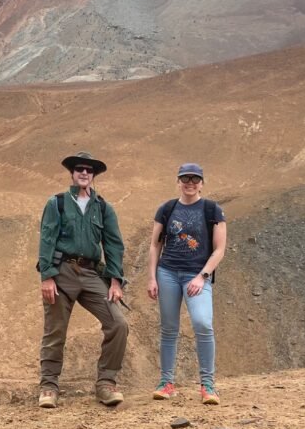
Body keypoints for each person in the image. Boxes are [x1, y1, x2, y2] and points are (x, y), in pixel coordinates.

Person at [37, 151, 128, 408]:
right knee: (55, 331)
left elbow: (113, 245)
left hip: (90, 273)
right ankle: (49, 387)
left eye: (89, 170)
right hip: (62, 271)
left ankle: (106, 384)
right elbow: (46, 239)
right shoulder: (57, 203)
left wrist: (115, 280)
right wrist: (47, 277)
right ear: (72, 173)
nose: (84, 173)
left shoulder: (103, 208)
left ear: (94, 175)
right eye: (79, 169)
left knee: (118, 324)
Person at [146, 163, 227, 404]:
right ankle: (166, 382)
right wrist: (152, 277)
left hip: (197, 275)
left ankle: (208, 385)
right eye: (185, 178)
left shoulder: (213, 210)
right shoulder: (167, 209)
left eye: (195, 179)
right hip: (168, 272)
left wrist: (202, 277)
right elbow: (155, 245)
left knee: (203, 324)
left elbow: (220, 249)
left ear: (202, 183)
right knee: (169, 329)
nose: (190, 183)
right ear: (178, 181)